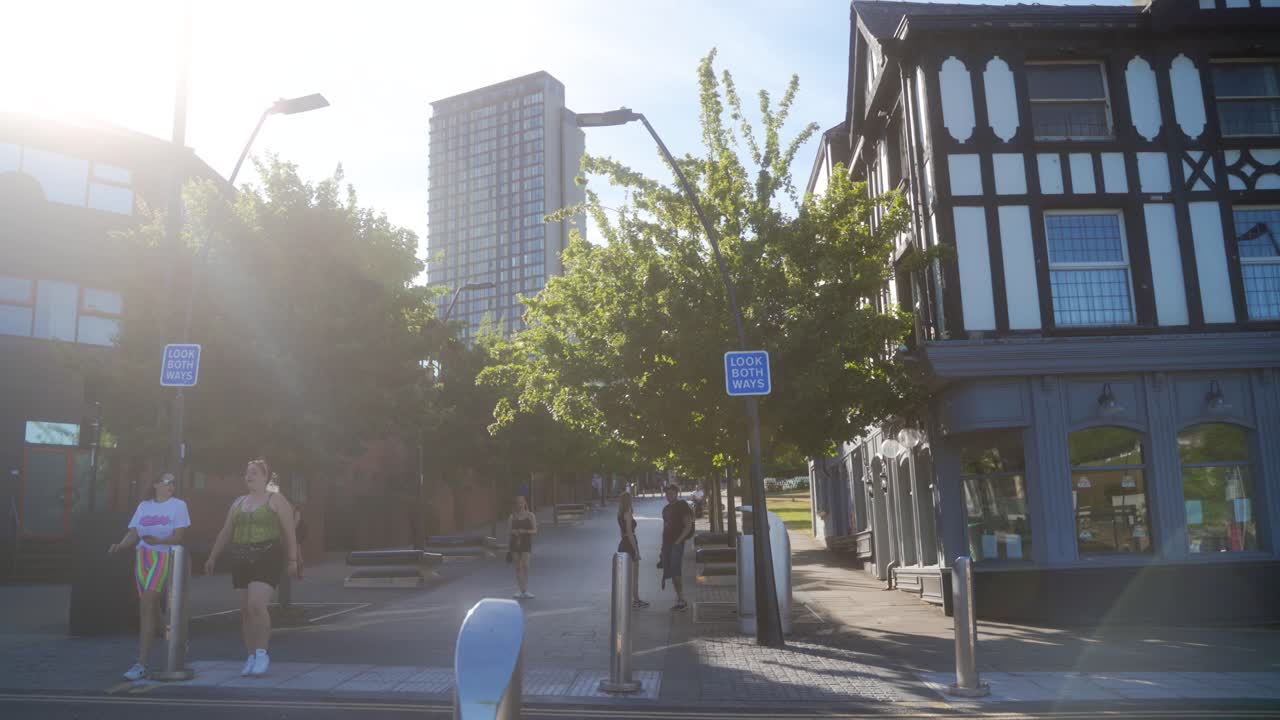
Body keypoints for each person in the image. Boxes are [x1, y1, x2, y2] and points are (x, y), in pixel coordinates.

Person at [203, 458, 301, 677]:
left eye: (255, 472)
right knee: (246, 610)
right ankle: (250, 656)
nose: (249, 476)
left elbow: (289, 532)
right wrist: (213, 556)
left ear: (266, 477)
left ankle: (261, 652)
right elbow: (226, 531)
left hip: (267, 556)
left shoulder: (276, 500)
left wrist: (293, 560)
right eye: (247, 472)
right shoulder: (238, 502)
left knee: (257, 604)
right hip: (240, 557)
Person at [108, 472, 191, 681]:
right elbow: (133, 533)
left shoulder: (178, 505)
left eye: (173, 482)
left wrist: (158, 541)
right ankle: (177, 644)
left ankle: (142, 663)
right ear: (155, 484)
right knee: (151, 607)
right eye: (166, 482)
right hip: (142, 556)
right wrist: (121, 545)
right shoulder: (144, 505)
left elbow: (179, 536)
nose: (170, 485)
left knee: (147, 602)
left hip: (163, 556)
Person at [660, 483, 695, 611]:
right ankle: (679, 599)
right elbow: (665, 527)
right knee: (672, 571)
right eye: (667, 493)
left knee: (676, 571)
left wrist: (678, 541)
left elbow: (688, 526)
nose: (669, 496)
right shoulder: (665, 509)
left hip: (676, 544)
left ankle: (682, 599)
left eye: (672, 493)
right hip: (668, 544)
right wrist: (663, 548)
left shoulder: (682, 506)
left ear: (676, 493)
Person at [616, 491, 648, 608]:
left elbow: (622, 533)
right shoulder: (628, 513)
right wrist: (636, 550)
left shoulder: (619, 514)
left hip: (623, 543)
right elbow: (630, 532)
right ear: (629, 501)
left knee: (626, 574)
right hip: (630, 542)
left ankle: (627, 599)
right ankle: (636, 600)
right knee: (635, 575)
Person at [508, 495, 537, 599]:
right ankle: (520, 590)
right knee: (517, 567)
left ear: (525, 503)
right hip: (515, 544)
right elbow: (509, 530)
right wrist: (514, 532)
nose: (520, 504)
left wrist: (525, 531)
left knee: (525, 566)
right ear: (516, 504)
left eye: (521, 502)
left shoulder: (530, 515)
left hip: (526, 543)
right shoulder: (512, 516)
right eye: (518, 503)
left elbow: (535, 530)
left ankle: (526, 590)